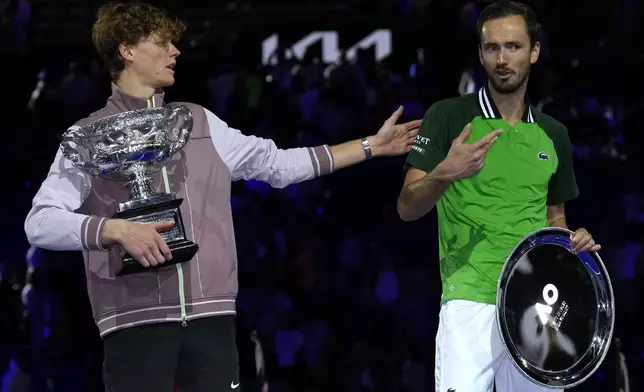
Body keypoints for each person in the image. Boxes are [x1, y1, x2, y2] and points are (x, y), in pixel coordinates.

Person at [23, 3, 421, 392]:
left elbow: (278, 166)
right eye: (162, 43)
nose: (175, 51)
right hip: (133, 325)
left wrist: (370, 145)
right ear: (127, 51)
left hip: (211, 321)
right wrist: (114, 230)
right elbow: (39, 222)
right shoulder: (88, 137)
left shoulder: (197, 121)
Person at [397, 1, 600, 391]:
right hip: (469, 301)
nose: (502, 59)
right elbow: (407, 207)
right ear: (480, 53)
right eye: (492, 49)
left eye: (513, 47)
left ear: (534, 52)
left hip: (536, 303)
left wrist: (572, 240)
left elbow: (554, 218)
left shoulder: (553, 133)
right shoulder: (448, 116)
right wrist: (445, 173)